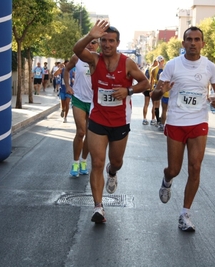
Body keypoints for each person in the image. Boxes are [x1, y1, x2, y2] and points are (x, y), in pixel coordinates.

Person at [73, 20, 150, 223]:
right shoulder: (94, 60)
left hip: (120, 121)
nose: (107, 45)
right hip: (98, 119)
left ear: (117, 43)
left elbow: (145, 82)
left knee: (115, 161)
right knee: (97, 162)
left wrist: (128, 90)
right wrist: (90, 35)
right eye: (103, 40)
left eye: (111, 41)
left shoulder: (127, 63)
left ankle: (113, 172)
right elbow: (77, 49)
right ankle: (98, 207)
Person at [152, 26, 215, 232]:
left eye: (197, 39)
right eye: (189, 39)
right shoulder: (172, 66)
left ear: (202, 43)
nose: (193, 43)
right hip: (176, 122)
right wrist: (160, 90)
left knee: (195, 167)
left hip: (199, 122)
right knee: (174, 169)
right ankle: (167, 180)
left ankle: (185, 214)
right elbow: (155, 96)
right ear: (183, 43)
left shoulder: (209, 66)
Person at [64, 39, 100, 177]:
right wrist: (67, 86)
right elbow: (66, 70)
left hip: (95, 101)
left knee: (90, 135)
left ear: (98, 45)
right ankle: (75, 162)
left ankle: (84, 160)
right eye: (89, 42)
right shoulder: (77, 58)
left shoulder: (100, 60)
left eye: (94, 42)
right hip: (78, 98)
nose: (91, 44)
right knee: (80, 132)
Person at [150, 55, 165, 126]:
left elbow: (151, 81)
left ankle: (158, 119)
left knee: (156, 104)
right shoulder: (165, 68)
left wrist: (151, 90)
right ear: (162, 61)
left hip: (157, 87)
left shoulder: (153, 69)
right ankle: (159, 120)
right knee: (160, 105)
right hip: (162, 87)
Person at [142, 59, 158, 125]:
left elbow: (144, 78)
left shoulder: (147, 69)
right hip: (153, 89)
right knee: (154, 105)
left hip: (146, 88)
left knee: (146, 104)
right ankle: (153, 119)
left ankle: (144, 119)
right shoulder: (155, 69)